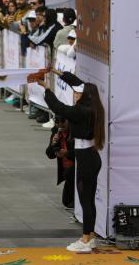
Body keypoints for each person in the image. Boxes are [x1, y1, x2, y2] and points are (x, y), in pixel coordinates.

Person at [39, 69, 105, 252]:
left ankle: (85, 240)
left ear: (85, 96)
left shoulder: (81, 111)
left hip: (86, 161)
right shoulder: (93, 105)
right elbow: (77, 82)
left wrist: (46, 88)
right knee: (88, 200)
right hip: (90, 157)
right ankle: (90, 237)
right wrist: (56, 72)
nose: (75, 95)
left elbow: (59, 108)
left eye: (78, 94)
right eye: (75, 93)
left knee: (85, 201)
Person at [45, 116, 75, 209]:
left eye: (63, 123)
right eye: (58, 123)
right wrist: (53, 143)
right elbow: (50, 155)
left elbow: (80, 154)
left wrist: (67, 153)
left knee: (68, 173)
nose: (61, 127)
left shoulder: (75, 133)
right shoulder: (56, 132)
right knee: (67, 202)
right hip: (67, 170)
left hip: (76, 167)